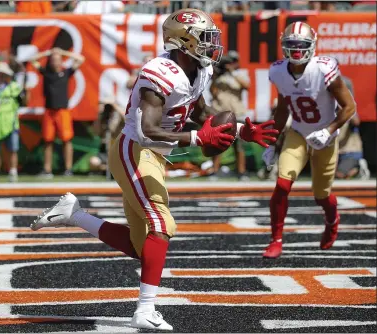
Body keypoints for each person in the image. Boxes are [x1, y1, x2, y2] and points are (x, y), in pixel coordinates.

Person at [30, 8, 278, 331]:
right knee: (162, 222)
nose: (210, 44)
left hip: (155, 157)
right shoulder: (159, 72)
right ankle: (144, 310)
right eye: (204, 38)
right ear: (183, 41)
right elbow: (147, 129)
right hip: (134, 150)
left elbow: (201, 112)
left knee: (142, 246)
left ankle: (74, 214)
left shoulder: (199, 69)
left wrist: (243, 131)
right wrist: (194, 137)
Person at [261, 22, 357, 258]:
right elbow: (282, 109)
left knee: (321, 194)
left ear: (311, 46)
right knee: (282, 184)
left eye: (301, 45)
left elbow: (349, 107)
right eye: (291, 44)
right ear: (284, 46)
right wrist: (273, 141)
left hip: (326, 136)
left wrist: (330, 129)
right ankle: (276, 240)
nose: (296, 50)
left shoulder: (324, 69)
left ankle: (332, 219)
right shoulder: (278, 71)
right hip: (298, 132)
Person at [30, 47, 85, 178]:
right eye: (53, 60)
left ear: (61, 61)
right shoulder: (46, 72)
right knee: (48, 141)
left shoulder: (66, 72)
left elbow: (81, 59)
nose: (55, 62)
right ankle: (47, 169)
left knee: (67, 140)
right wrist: (48, 52)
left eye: (58, 60)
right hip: (49, 111)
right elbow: (32, 60)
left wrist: (62, 52)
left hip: (62, 111)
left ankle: (68, 169)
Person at [210, 51, 250, 180]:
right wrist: (217, 75)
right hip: (220, 112)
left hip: (236, 113)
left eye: (233, 61)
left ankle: (241, 172)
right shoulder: (219, 75)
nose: (230, 64)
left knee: (239, 145)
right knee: (217, 143)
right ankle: (215, 172)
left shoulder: (240, 73)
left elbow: (246, 86)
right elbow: (212, 91)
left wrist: (232, 72)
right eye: (229, 62)